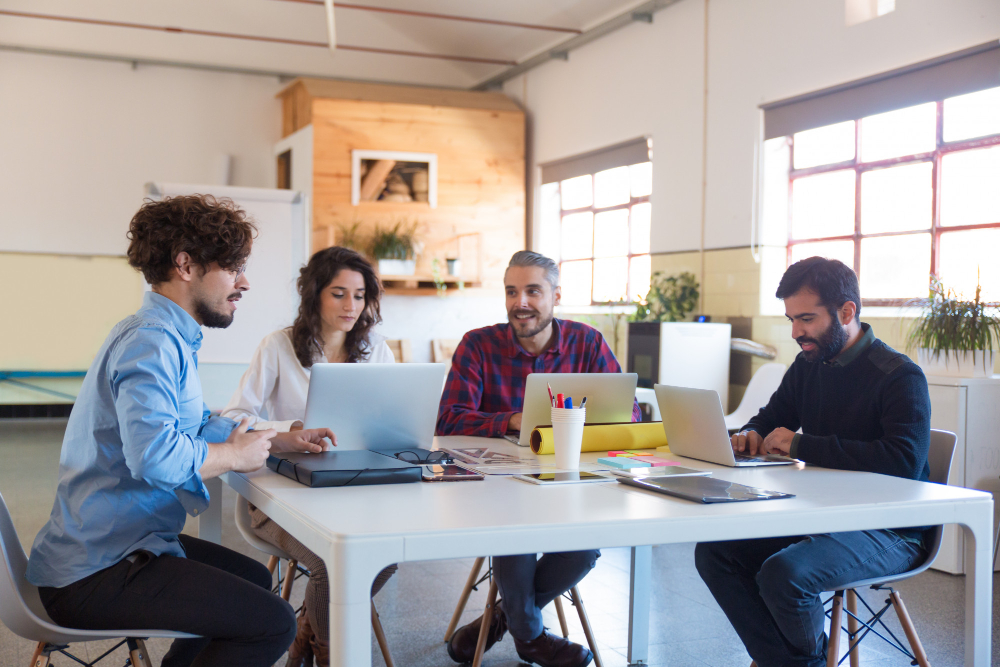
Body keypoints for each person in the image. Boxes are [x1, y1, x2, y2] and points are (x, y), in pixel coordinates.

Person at [26, 195, 336, 667]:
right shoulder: (151, 341)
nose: (244, 282)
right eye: (234, 267)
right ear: (185, 265)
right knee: (273, 623)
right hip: (96, 570)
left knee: (255, 581)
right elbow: (155, 456)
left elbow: (195, 423)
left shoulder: (162, 333)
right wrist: (233, 457)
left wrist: (276, 441)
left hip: (120, 546)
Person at [694, 257, 932, 667]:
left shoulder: (899, 377)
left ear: (846, 312)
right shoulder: (809, 364)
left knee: (786, 575)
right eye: (791, 319)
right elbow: (770, 419)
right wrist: (749, 433)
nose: (795, 333)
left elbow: (902, 462)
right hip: (820, 515)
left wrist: (802, 445)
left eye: (806, 318)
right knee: (715, 553)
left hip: (891, 528)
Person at [439, 250, 640, 667]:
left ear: (556, 295)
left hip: (567, 483)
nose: (520, 302)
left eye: (533, 290)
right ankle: (530, 638)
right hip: (496, 489)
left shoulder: (586, 343)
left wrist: (577, 425)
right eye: (512, 292)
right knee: (516, 532)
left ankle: (499, 621)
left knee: (584, 550)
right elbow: (448, 418)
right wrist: (511, 419)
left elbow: (628, 414)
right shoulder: (478, 344)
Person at [221, 245, 396, 667]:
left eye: (359, 295)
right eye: (339, 293)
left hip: (353, 488)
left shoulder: (376, 349)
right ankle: (329, 654)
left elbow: (393, 416)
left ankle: (308, 628)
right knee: (327, 562)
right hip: (282, 491)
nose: (351, 305)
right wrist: (287, 431)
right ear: (314, 293)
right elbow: (234, 416)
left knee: (387, 556)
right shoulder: (278, 346)